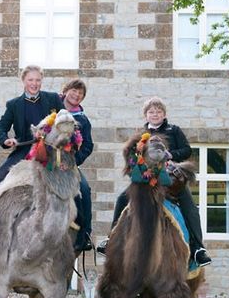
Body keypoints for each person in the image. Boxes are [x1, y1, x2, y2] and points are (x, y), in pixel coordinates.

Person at [96, 96, 212, 267]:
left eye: (158, 111)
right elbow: (131, 155)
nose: (155, 114)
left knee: (190, 208)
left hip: (170, 179)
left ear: (164, 114)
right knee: (122, 199)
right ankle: (111, 239)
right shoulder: (140, 134)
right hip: (145, 179)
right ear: (146, 115)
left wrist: (172, 155)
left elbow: (187, 150)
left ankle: (197, 249)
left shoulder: (174, 130)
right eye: (151, 111)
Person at [0, 64, 64, 231]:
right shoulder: (14, 104)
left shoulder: (53, 99)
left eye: (38, 80)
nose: (34, 83)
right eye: (30, 79)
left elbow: (66, 122)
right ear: (23, 81)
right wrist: (6, 140)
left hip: (50, 151)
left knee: (83, 187)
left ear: (42, 81)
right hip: (24, 150)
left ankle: (82, 229)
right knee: (1, 175)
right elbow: (0, 128)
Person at [61, 79, 94, 252]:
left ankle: (86, 234)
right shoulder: (50, 109)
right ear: (66, 90)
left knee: (85, 189)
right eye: (74, 90)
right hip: (46, 163)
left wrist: (73, 161)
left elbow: (88, 145)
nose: (77, 95)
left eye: (81, 94)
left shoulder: (83, 120)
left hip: (70, 165)